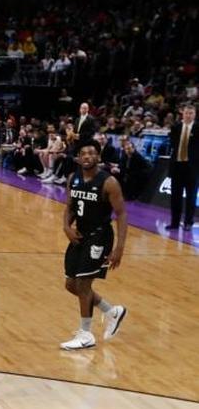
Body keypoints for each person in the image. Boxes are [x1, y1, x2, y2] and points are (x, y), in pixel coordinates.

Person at [59, 141, 128, 349]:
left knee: (83, 284)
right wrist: (66, 227)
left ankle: (86, 334)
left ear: (98, 157)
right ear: (78, 158)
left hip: (100, 236)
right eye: (83, 153)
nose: (87, 156)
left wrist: (119, 248)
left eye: (91, 153)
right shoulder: (73, 178)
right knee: (71, 284)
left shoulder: (109, 182)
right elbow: (70, 207)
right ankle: (111, 311)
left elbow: (122, 214)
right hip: (80, 235)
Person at [167, 104, 196, 230]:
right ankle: (174, 222)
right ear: (182, 114)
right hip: (177, 166)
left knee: (191, 196)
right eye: (186, 113)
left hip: (192, 168)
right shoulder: (175, 128)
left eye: (191, 113)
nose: (188, 115)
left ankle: (188, 222)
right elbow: (173, 146)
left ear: (194, 114)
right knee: (175, 196)